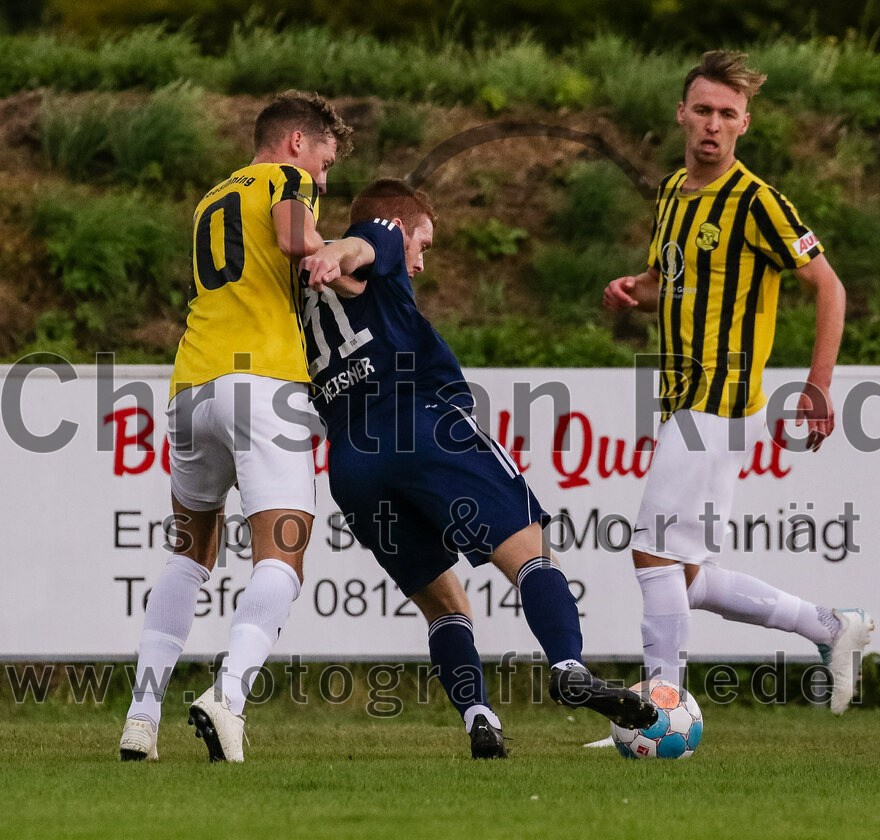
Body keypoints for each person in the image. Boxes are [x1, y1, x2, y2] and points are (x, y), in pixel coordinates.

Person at [299, 178, 657, 757]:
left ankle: (478, 716)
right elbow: (362, 246)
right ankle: (567, 666)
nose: (418, 262)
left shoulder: (301, 292)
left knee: (444, 603)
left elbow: (342, 268)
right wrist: (341, 249)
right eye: (424, 244)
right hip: (423, 426)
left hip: (350, 462)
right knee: (533, 555)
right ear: (404, 228)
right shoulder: (380, 236)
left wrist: (322, 261)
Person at [602, 51, 872, 714]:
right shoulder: (672, 192)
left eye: (726, 114)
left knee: (650, 557)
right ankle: (831, 627)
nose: (712, 126)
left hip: (717, 406)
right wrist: (632, 290)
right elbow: (670, 274)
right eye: (703, 111)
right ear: (681, 114)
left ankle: (660, 706)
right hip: (685, 404)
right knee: (686, 575)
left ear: (744, 124)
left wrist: (817, 386)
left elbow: (829, 287)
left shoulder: (757, 202)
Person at [118, 91, 353, 762]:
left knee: (188, 556)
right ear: (298, 144)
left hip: (193, 384)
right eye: (326, 163)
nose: (323, 182)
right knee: (283, 554)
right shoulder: (288, 179)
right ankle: (228, 697)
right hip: (262, 385)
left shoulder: (209, 198)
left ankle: (140, 717)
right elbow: (294, 238)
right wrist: (339, 255)